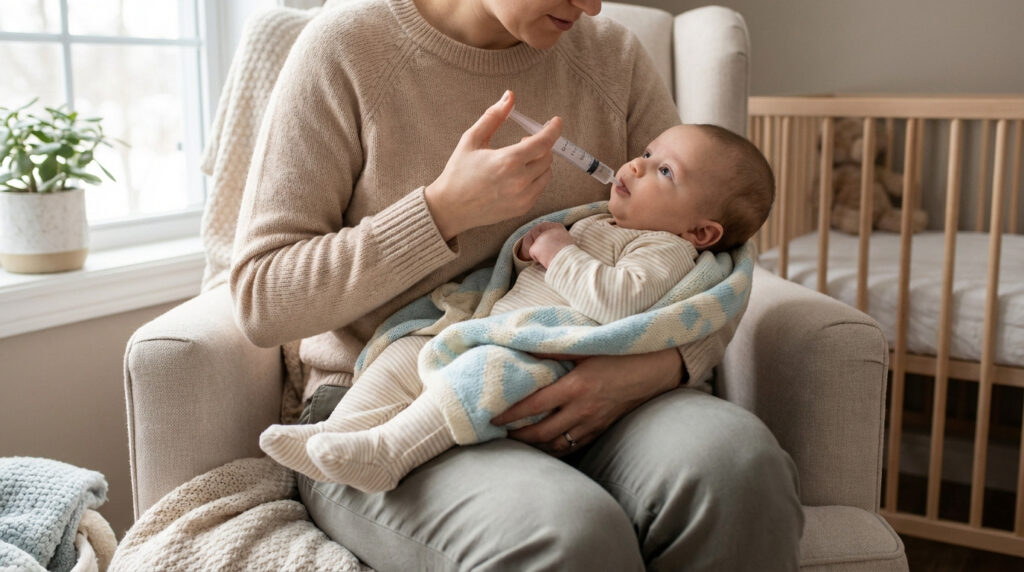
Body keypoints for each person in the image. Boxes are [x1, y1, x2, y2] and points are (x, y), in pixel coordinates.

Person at [230, 0, 803, 569]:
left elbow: (715, 246)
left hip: (592, 375)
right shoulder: (348, 50)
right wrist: (440, 212)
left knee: (739, 467)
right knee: (568, 532)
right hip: (393, 398)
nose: (593, 5)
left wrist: (666, 364)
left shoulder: (613, 55)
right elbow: (263, 298)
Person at [258, 122, 776, 494]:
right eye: (645, 151)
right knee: (405, 354)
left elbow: (622, 300)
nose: (634, 164)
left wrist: (557, 252)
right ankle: (339, 430)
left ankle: (390, 451)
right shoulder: (612, 222)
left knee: (479, 377)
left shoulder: (665, 248)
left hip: (541, 355)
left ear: (700, 233)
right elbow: (262, 296)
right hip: (495, 328)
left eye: (663, 169)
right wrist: (447, 211)